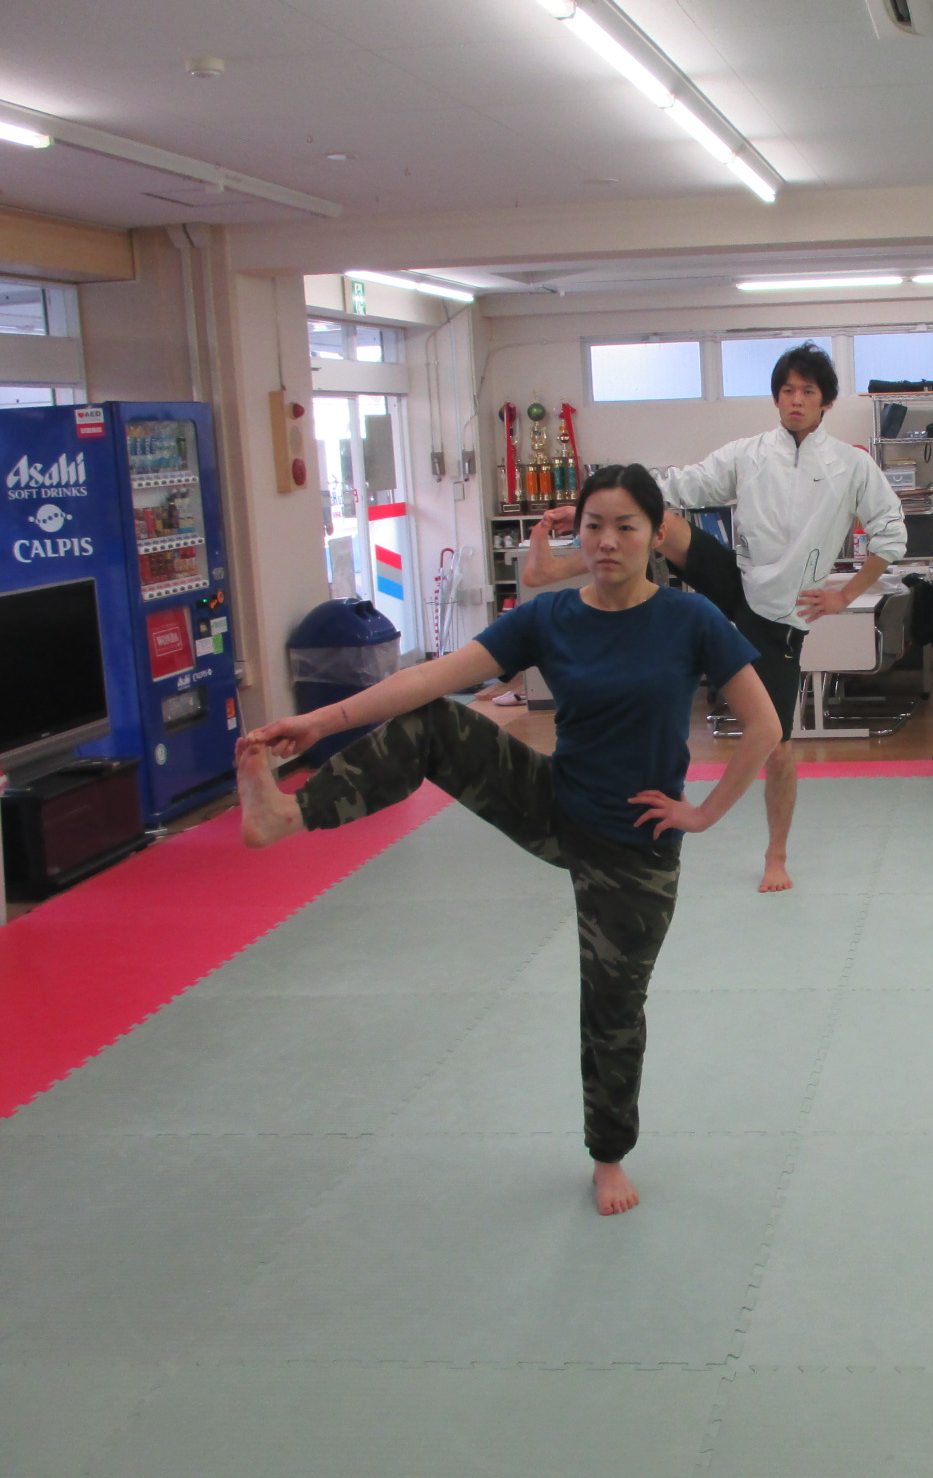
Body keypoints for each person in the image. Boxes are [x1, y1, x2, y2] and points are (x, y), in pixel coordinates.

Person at [235, 464, 782, 1217]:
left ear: (657, 534)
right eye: (593, 526)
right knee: (435, 723)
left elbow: (764, 725)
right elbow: (431, 680)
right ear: (576, 533)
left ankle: (608, 1157)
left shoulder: (690, 619)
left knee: (612, 1009)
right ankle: (287, 815)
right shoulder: (549, 616)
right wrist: (317, 723)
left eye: (625, 526)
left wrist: (705, 814)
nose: (607, 541)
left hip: (637, 842)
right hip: (556, 803)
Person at [521, 342, 907, 893]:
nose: (796, 400)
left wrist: (843, 597)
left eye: (808, 392)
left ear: (826, 402)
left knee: (777, 748)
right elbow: (674, 486)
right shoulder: (749, 454)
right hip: (737, 581)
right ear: (776, 398)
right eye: (787, 390)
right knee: (662, 522)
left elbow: (891, 535)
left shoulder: (851, 465)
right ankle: (554, 568)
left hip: (780, 613)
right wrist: (586, 510)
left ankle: (776, 854)